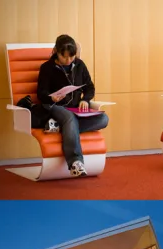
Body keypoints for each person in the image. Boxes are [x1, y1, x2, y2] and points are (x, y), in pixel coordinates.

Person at [37, 34, 109, 177]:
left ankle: (58, 127)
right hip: (55, 107)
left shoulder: (80, 65)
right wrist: (53, 98)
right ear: (56, 51)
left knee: (103, 119)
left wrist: (86, 100)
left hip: (76, 108)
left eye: (72, 57)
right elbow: (41, 93)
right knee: (69, 118)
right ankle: (75, 162)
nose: (69, 60)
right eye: (65, 57)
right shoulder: (46, 68)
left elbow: (90, 87)